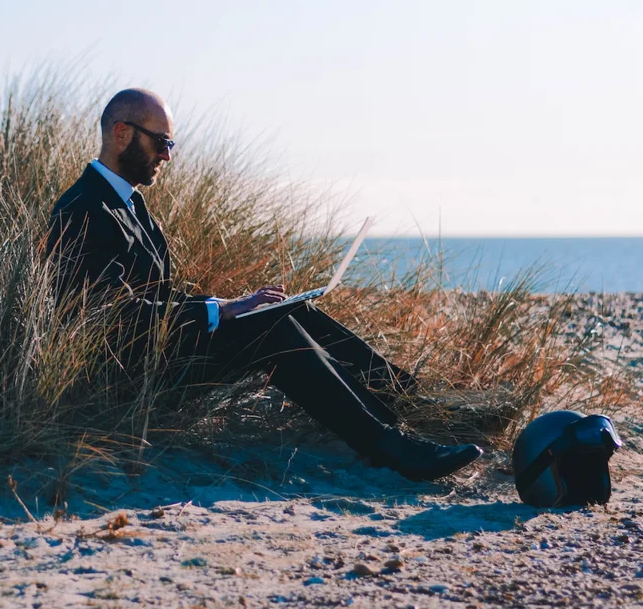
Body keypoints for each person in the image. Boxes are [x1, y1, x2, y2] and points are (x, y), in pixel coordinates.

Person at [47, 88, 482, 482]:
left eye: (170, 144)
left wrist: (230, 305)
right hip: (131, 377)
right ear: (122, 133)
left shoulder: (133, 204)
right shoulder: (81, 209)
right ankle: (390, 447)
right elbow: (108, 317)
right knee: (270, 332)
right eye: (161, 142)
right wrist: (219, 311)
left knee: (288, 311)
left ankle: (414, 407)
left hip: (163, 352)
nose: (167, 156)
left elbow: (157, 297)